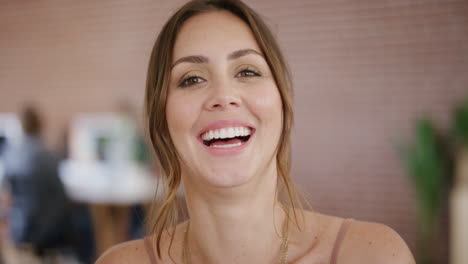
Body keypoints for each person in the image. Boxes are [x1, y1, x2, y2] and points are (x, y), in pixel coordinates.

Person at [97, 0, 415, 263]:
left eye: (247, 71)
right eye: (191, 79)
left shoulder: (374, 255)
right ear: (162, 122)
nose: (223, 96)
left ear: (283, 107)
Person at [1, 106, 71, 256]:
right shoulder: (47, 156)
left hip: (19, 226)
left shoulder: (10, 155)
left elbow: (6, 195)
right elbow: (61, 196)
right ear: (41, 125)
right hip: (45, 227)